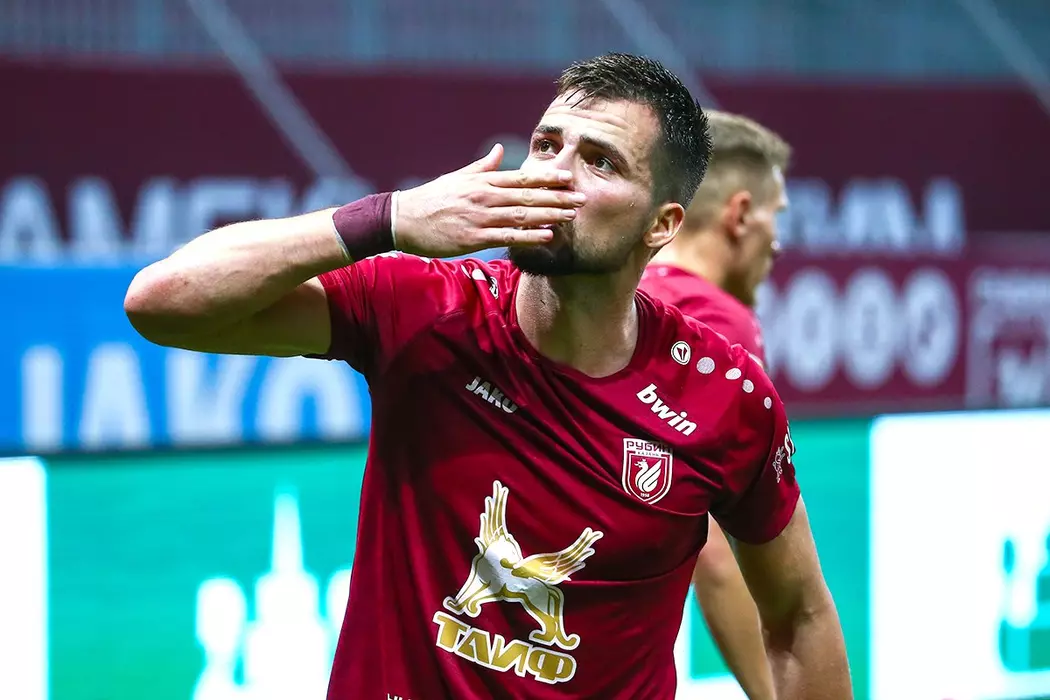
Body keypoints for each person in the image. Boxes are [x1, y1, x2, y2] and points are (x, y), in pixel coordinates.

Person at [124, 53, 850, 699]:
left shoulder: (726, 395)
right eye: (547, 145)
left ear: (661, 225)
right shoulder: (423, 308)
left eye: (600, 162)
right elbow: (161, 302)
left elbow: (800, 615)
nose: (553, 174)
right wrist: (387, 218)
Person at [640, 110, 792, 700]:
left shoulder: (623, 296)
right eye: (776, 215)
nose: (777, 243)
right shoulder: (716, 329)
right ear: (740, 214)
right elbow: (716, 551)